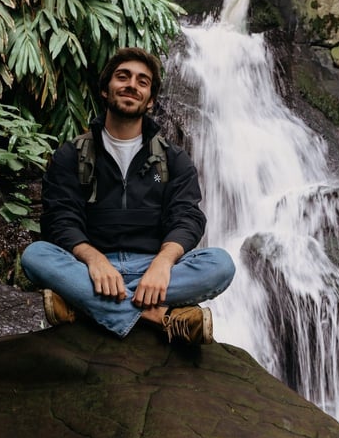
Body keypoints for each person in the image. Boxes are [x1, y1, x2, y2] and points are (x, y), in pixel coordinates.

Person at [21, 47, 235, 345]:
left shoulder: (174, 160)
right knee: (36, 256)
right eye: (123, 77)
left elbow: (186, 217)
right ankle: (159, 317)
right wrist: (93, 259)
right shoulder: (72, 155)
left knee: (221, 264)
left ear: (151, 101)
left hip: (155, 270)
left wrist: (163, 263)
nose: (132, 85)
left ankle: (83, 306)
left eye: (142, 81)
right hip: (91, 269)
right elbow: (60, 217)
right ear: (105, 91)